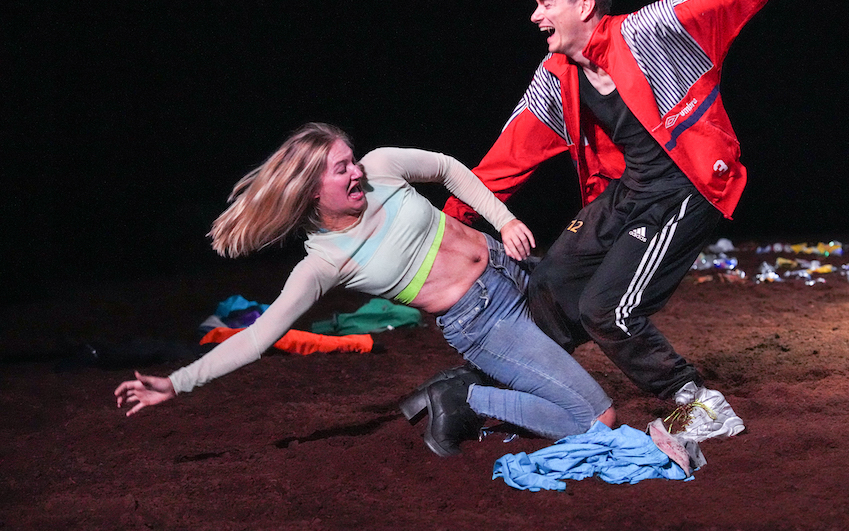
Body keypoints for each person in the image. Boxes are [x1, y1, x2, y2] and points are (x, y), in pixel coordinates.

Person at [442, 0, 849, 441]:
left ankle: (698, 402)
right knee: (550, 282)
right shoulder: (556, 78)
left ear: (585, 6)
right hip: (627, 192)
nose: (535, 16)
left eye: (545, 3)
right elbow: (506, 159)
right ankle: (513, 388)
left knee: (605, 310)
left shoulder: (653, 32)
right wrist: (447, 227)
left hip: (685, 188)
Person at [115, 123, 615, 457]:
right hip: (485, 322)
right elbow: (255, 338)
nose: (356, 172)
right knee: (597, 418)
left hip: (513, 264)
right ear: (313, 189)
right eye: (342, 169)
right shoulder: (323, 263)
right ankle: (467, 399)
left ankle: (472, 387)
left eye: (351, 160)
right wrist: (177, 383)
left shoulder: (381, 168)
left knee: (605, 308)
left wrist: (503, 220)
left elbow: (445, 168)